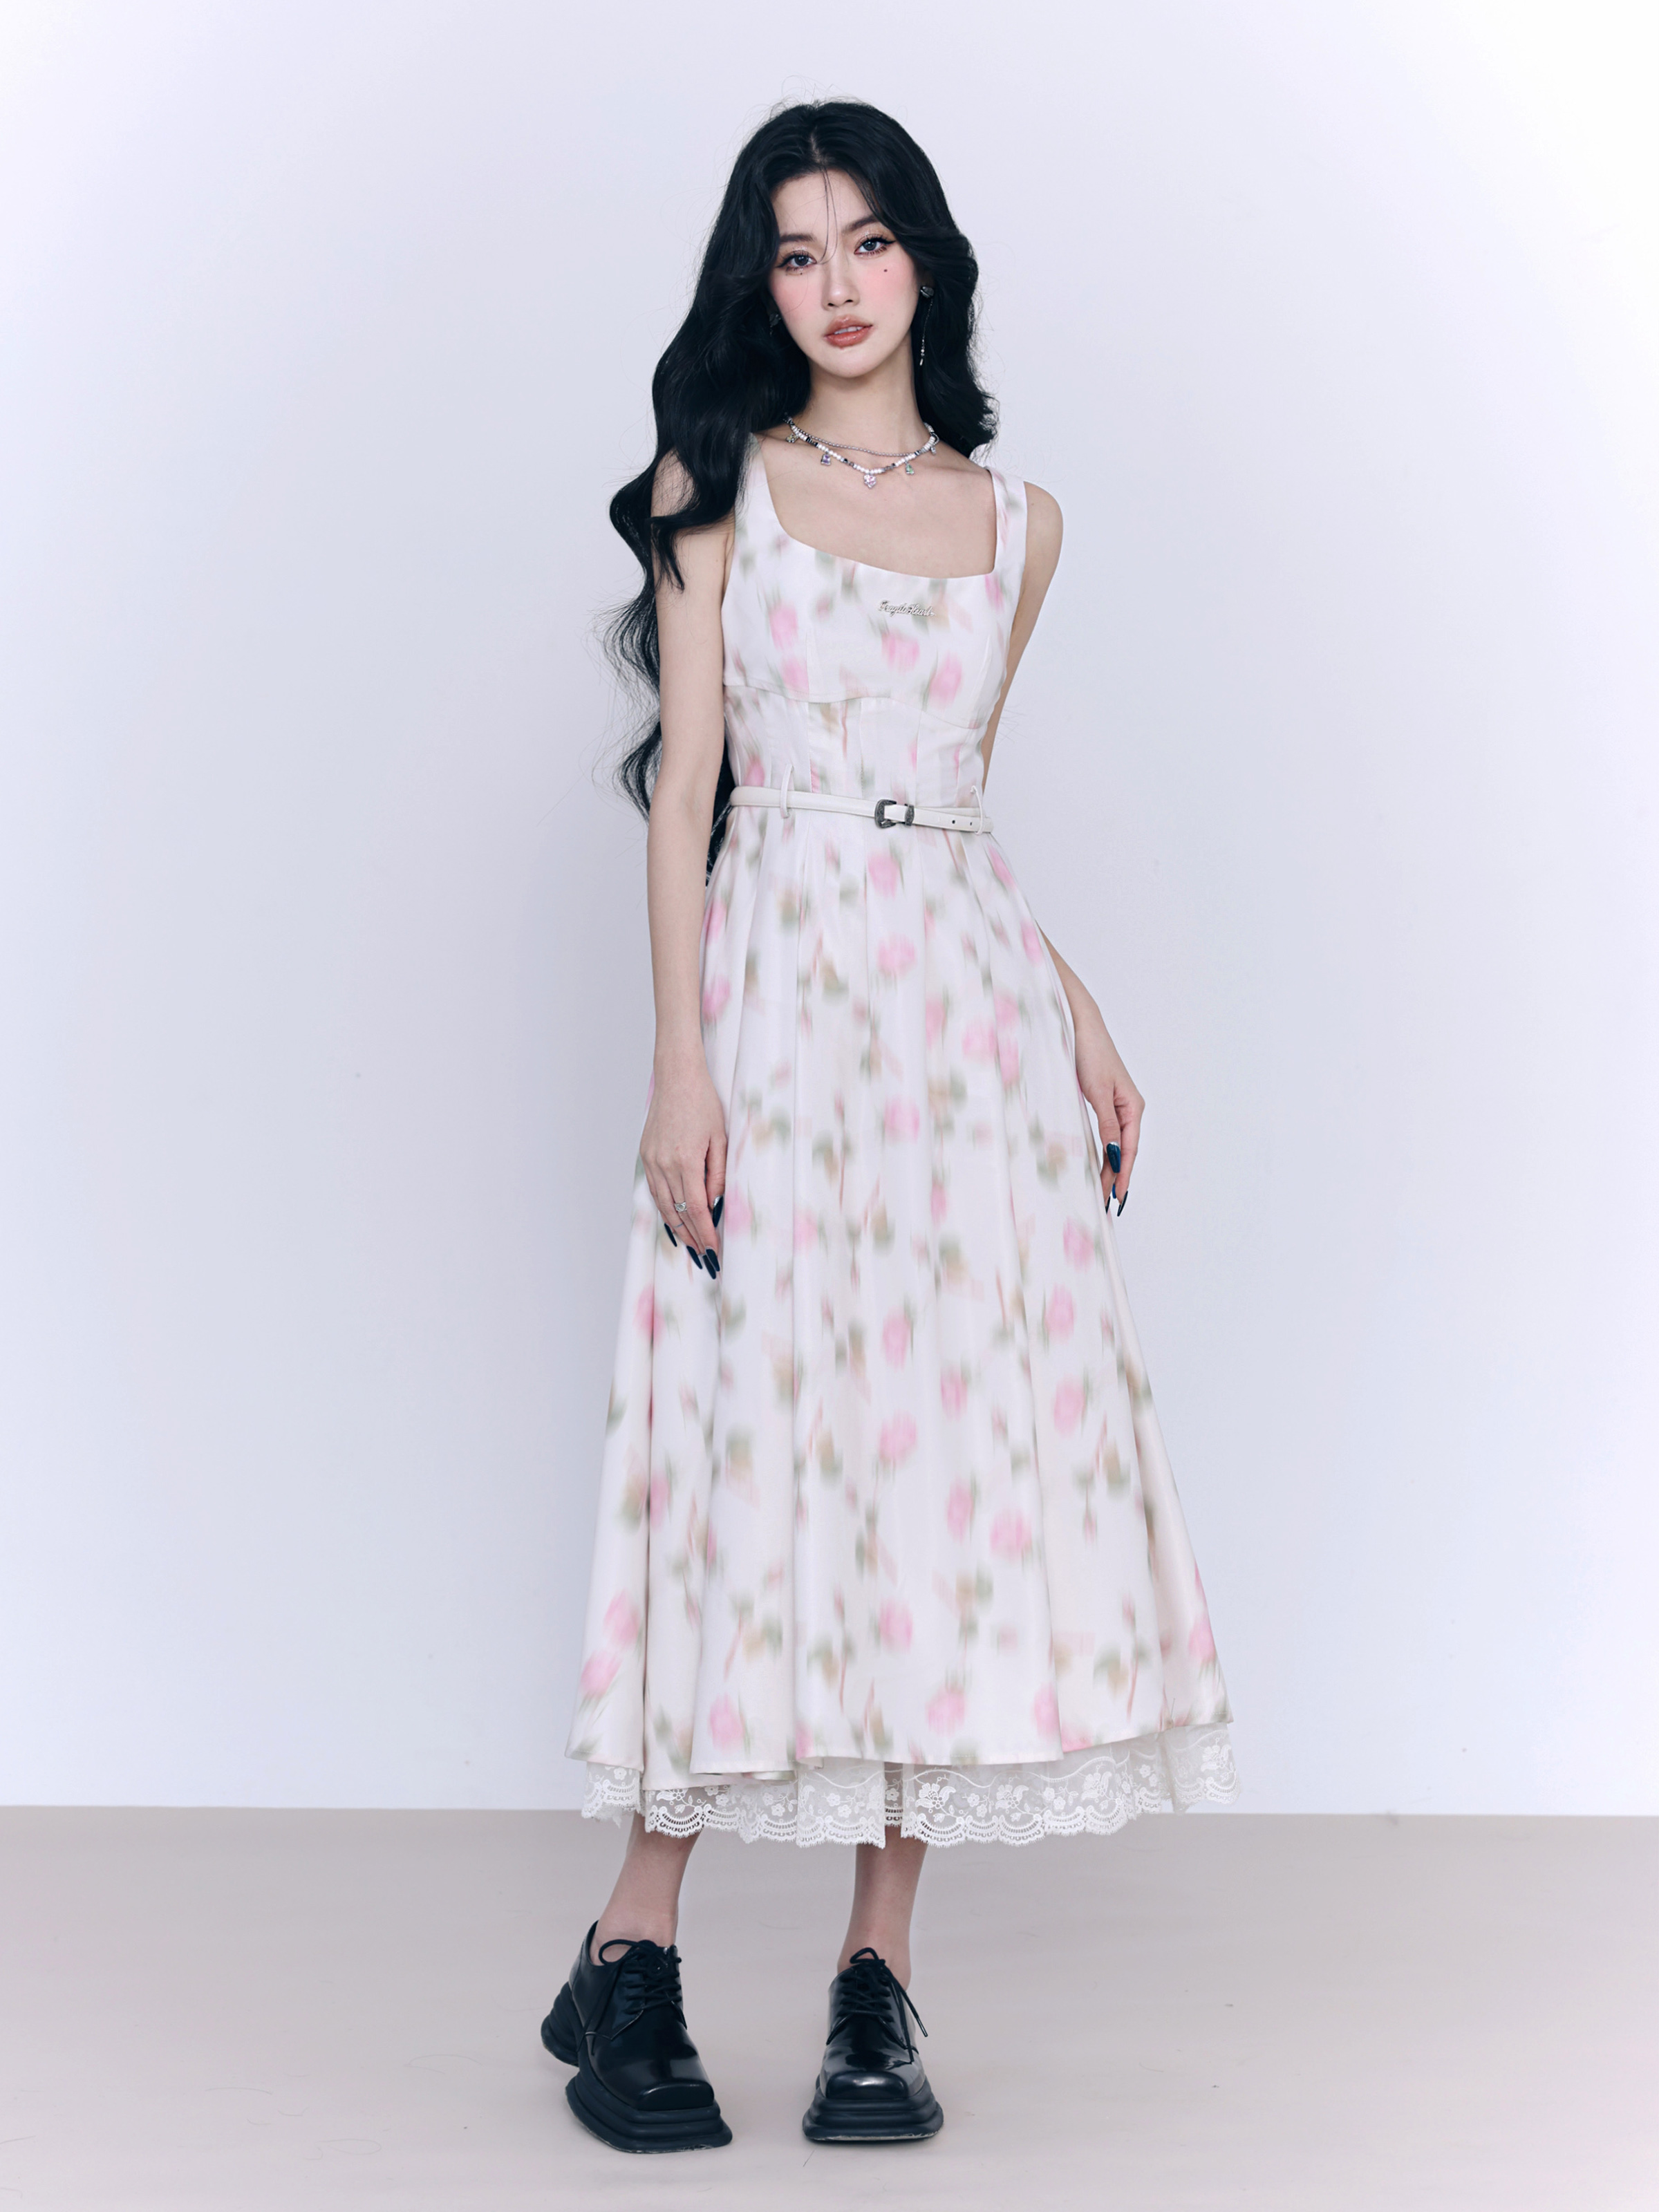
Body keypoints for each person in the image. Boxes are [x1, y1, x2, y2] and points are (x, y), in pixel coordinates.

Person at [545, 99, 1239, 2154]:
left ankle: (878, 1979)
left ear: (925, 260)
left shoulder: (1020, 525)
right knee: (747, 1453)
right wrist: (680, 1067)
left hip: (966, 1039)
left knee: (934, 1474)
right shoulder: (714, 488)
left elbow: (952, 804)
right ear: (760, 286)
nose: (836, 285)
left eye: (867, 242)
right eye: (796, 252)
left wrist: (1076, 1010)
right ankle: (633, 1949)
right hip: (775, 1012)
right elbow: (692, 796)